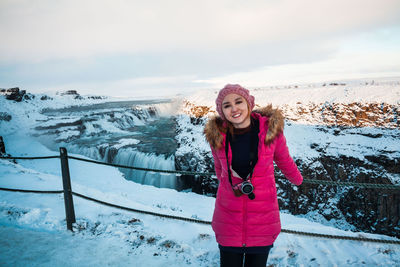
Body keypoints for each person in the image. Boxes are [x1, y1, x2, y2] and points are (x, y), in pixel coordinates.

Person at [204, 84, 303, 267]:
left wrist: (298, 180)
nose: (234, 108)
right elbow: (219, 169)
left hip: (262, 219)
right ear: (222, 111)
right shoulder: (217, 136)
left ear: (249, 103)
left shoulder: (271, 131)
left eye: (238, 101)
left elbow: (284, 160)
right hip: (228, 219)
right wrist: (229, 188)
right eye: (226, 105)